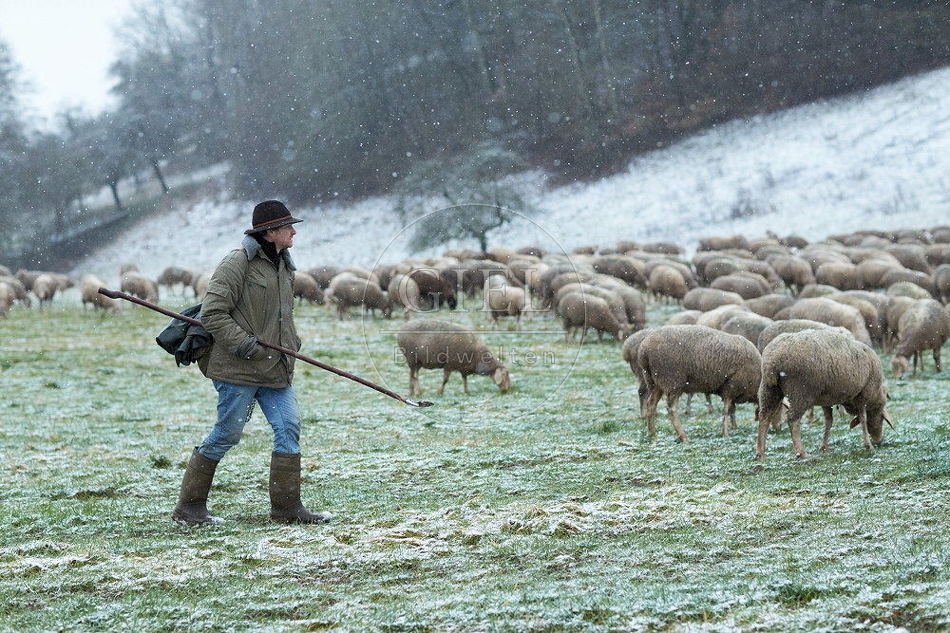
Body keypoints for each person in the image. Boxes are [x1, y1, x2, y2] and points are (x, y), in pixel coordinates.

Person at [172, 200, 332, 526]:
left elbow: (282, 316)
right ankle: (189, 510)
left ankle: (287, 509)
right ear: (270, 232)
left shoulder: (285, 265)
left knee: (288, 428)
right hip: (238, 369)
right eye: (288, 227)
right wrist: (246, 346)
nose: (294, 231)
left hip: (276, 367)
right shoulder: (237, 263)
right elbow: (212, 314)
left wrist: (292, 343)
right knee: (227, 435)